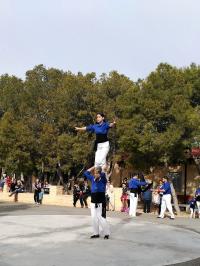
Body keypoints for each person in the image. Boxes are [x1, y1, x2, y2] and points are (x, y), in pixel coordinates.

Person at [84, 166, 110, 239]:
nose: (96, 174)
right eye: (95, 173)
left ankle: (106, 233)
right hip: (93, 201)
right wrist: (93, 167)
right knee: (94, 218)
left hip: (101, 201)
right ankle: (96, 233)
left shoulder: (103, 180)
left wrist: (103, 170)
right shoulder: (92, 179)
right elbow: (86, 173)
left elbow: (104, 175)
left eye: (97, 173)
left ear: (100, 173)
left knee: (102, 218)